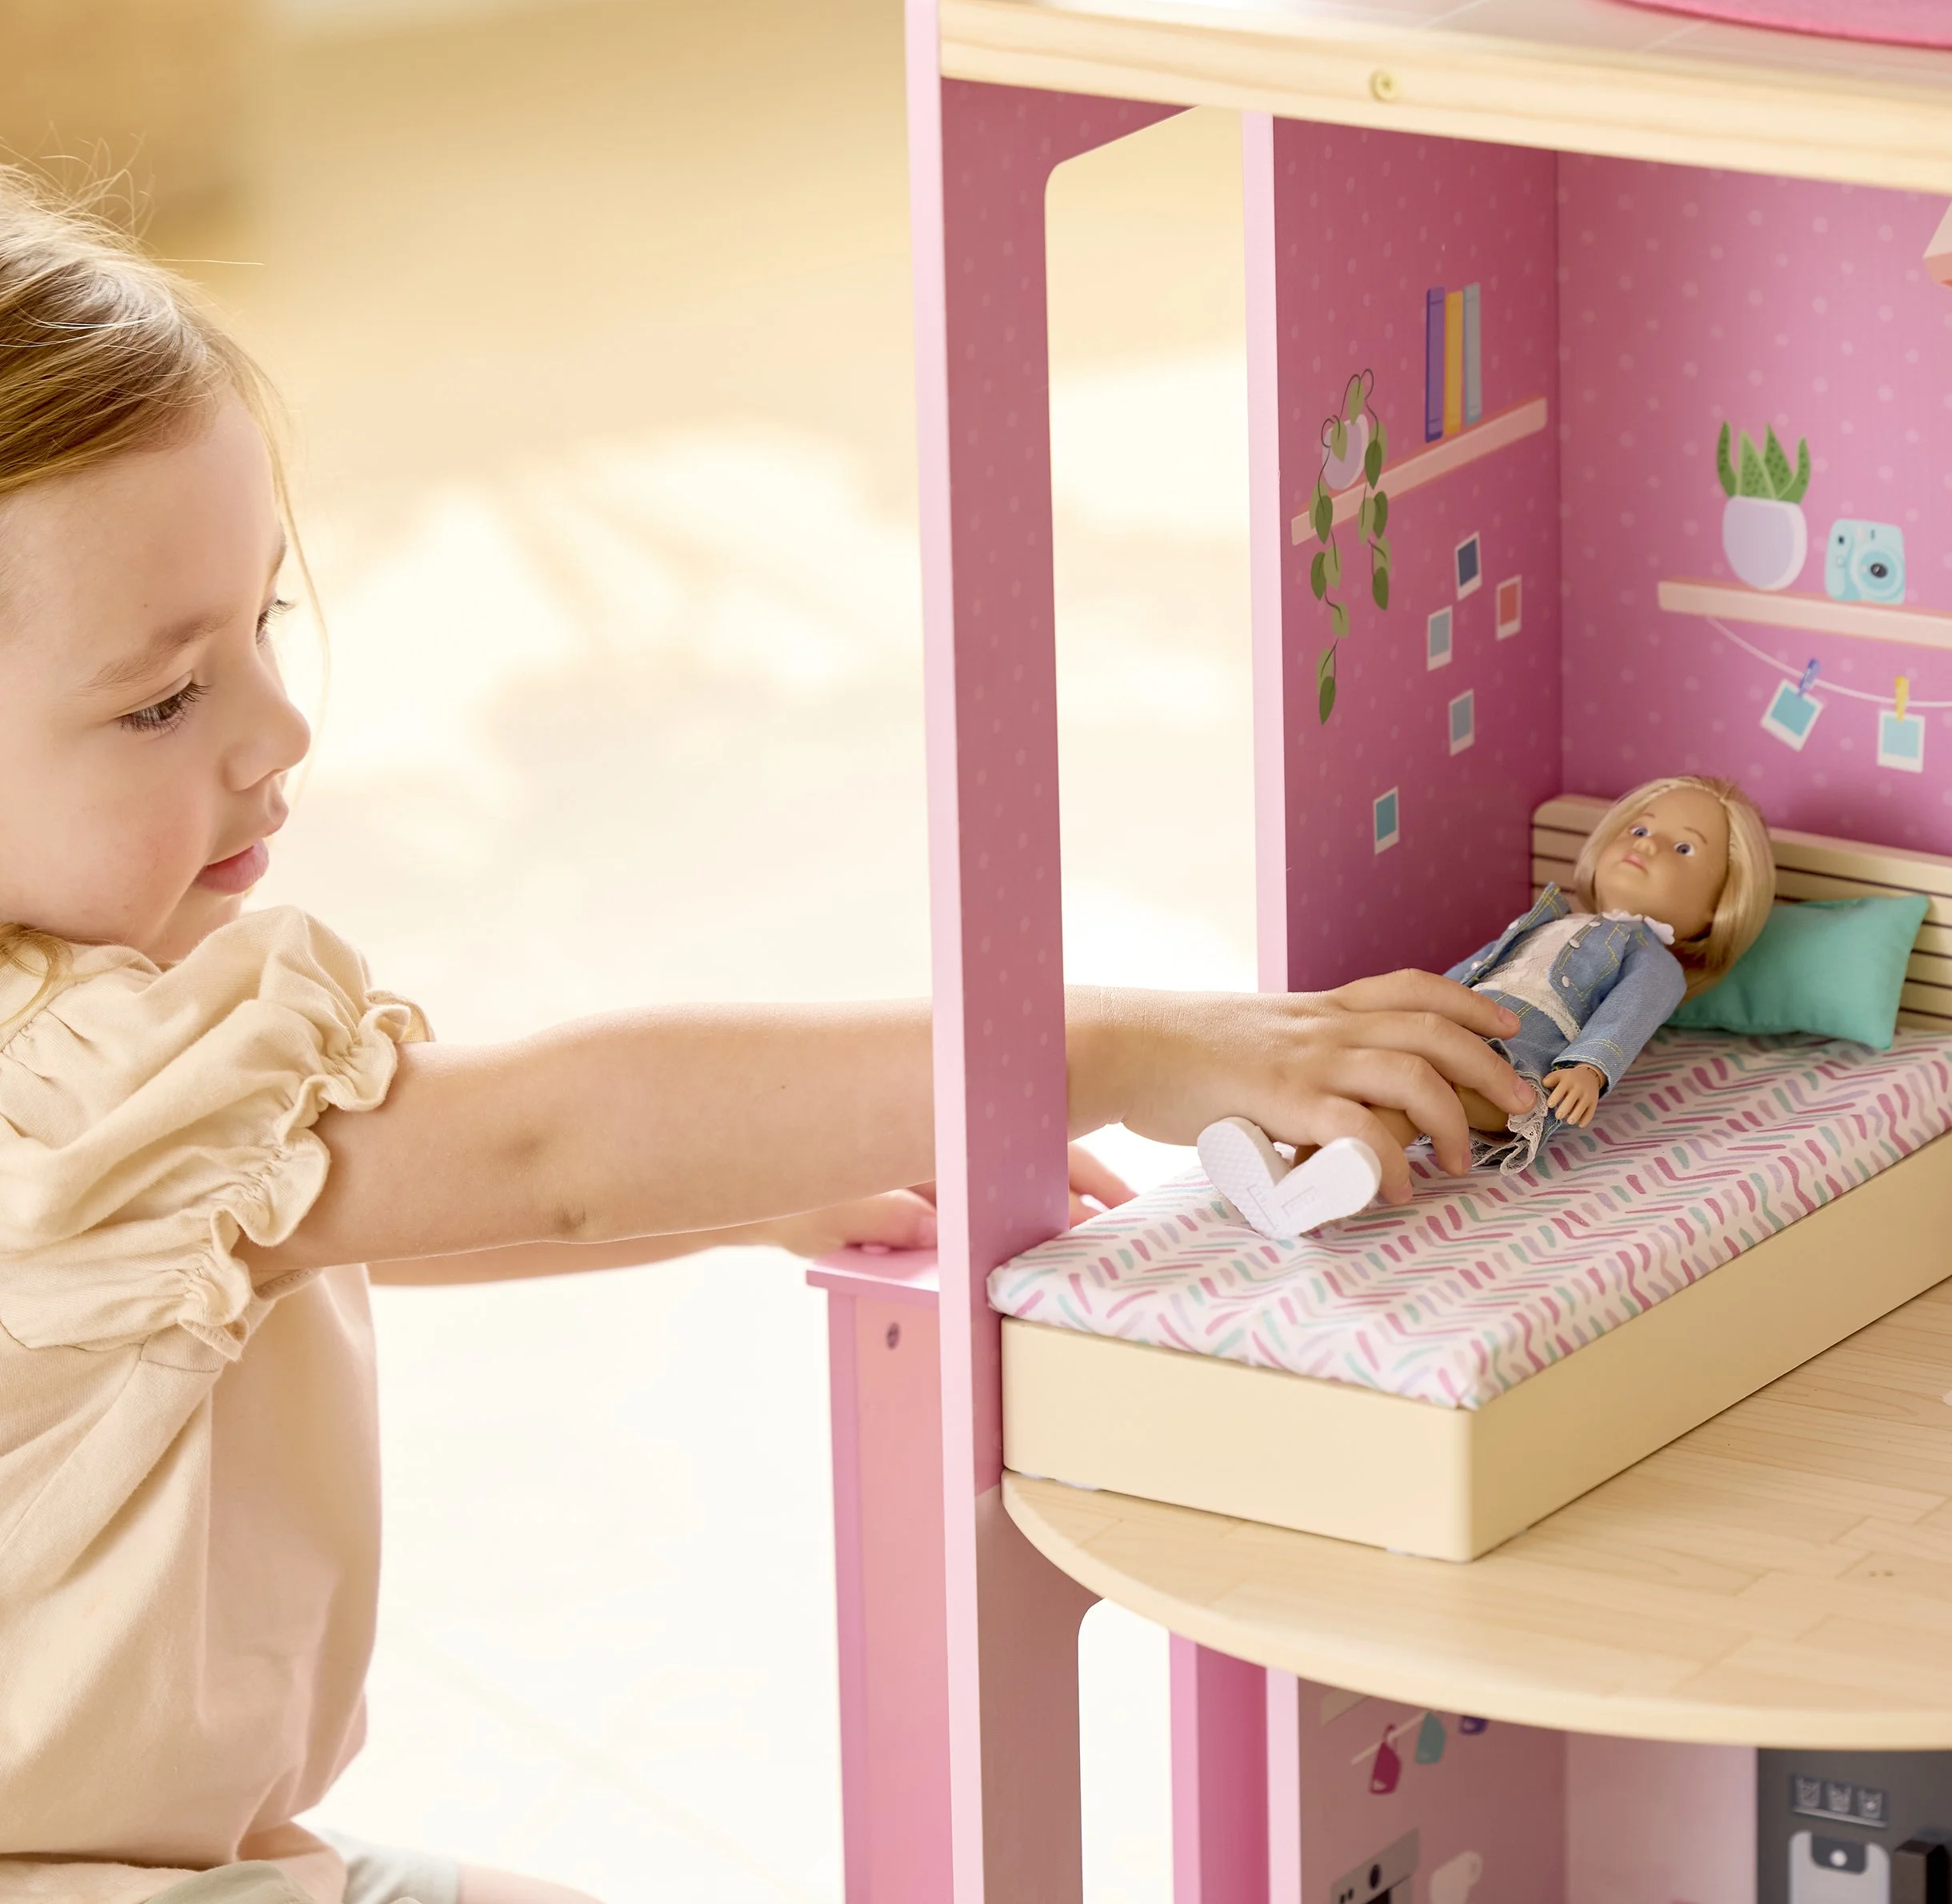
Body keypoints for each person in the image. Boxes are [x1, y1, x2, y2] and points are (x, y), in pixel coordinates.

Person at [0, 178, 1538, 1904]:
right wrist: (1108, 1043)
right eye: (157, 699)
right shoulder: (71, 1099)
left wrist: (738, 1188)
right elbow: (539, 1148)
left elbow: (309, 1219)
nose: (280, 727)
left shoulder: (134, 1121)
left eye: (264, 626)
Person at [1200, 775, 1776, 1240]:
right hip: (1457, 1031)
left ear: (1716, 907)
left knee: (1423, 1089)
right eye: (1639, 827)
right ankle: (1292, 1174)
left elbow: (1627, 1018)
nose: (1646, 844)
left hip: (1518, 1069)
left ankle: (1329, 1187)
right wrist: (1399, 1020)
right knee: (1371, 1077)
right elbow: (1466, 977)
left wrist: (1589, 1068)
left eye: (1682, 848)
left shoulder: (1653, 962)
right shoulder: (1548, 917)